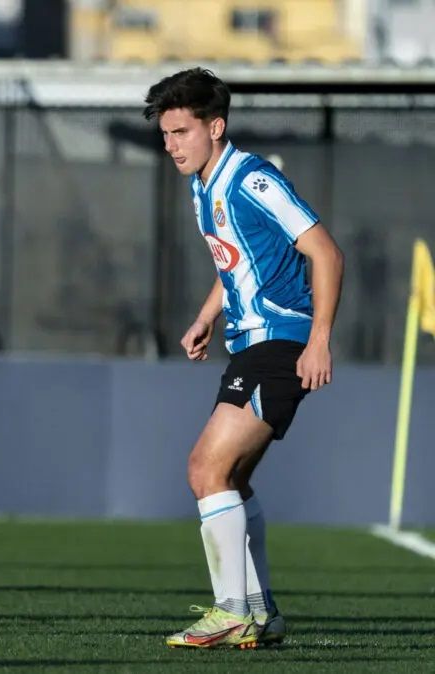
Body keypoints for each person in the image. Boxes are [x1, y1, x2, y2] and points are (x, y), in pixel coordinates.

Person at [144, 68, 344, 648]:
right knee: (231, 478)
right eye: (166, 134)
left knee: (204, 469)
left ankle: (232, 611)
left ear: (216, 126)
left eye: (181, 131)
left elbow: (326, 254)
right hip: (254, 344)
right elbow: (233, 259)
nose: (171, 144)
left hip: (281, 343)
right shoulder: (202, 184)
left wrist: (319, 339)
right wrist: (207, 316)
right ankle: (261, 613)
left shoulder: (251, 179)